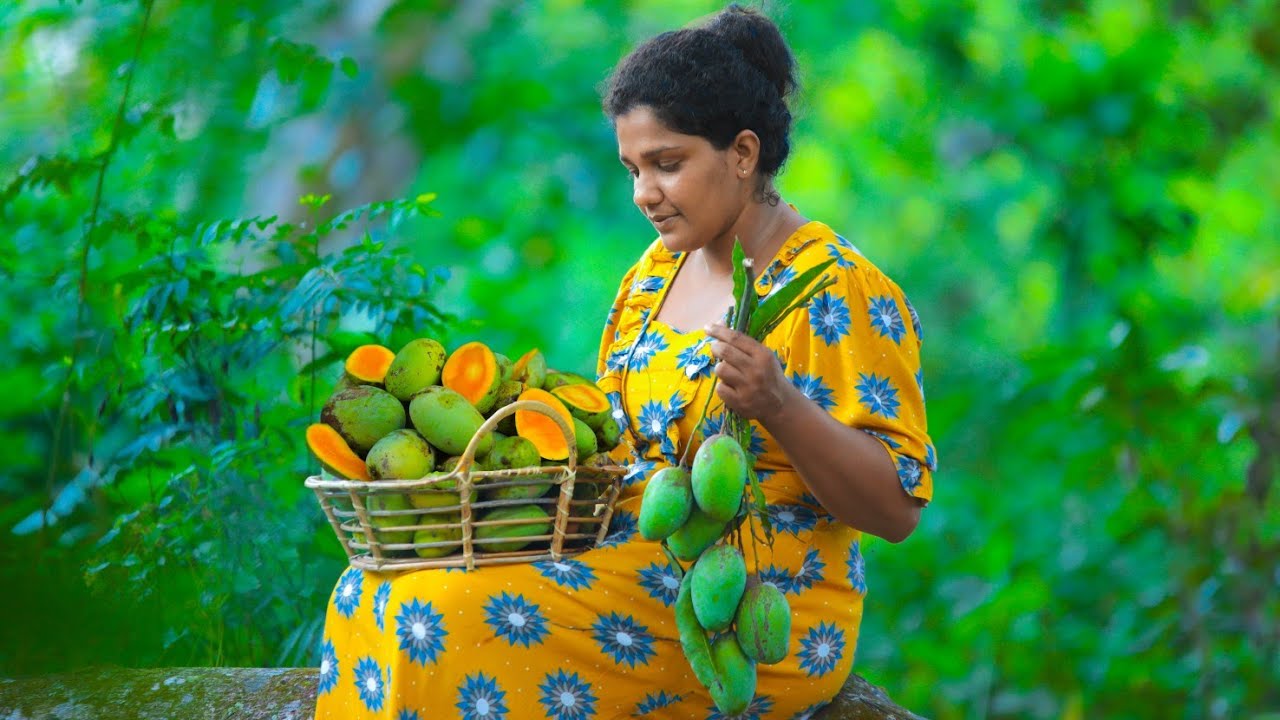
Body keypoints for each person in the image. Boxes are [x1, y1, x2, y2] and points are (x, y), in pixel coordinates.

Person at [313, 5, 934, 719]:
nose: (644, 193)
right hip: (627, 550)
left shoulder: (835, 288)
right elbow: (611, 446)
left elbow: (894, 510)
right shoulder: (651, 277)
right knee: (378, 589)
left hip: (746, 604)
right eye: (633, 168)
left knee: (449, 617)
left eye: (668, 164)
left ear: (742, 153)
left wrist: (780, 405)